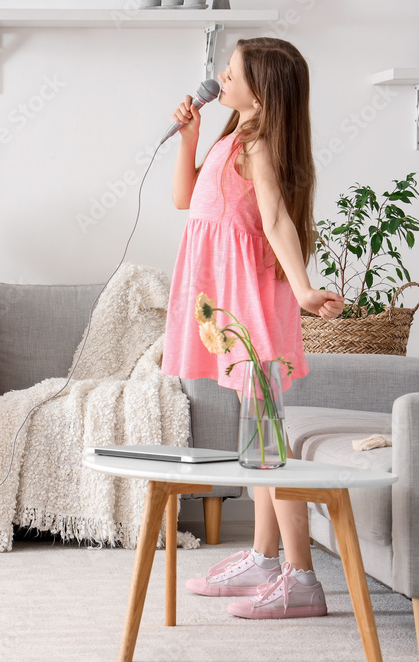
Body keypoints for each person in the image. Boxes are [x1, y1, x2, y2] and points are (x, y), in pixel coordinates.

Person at [161, 38, 345, 619]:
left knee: (266, 449)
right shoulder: (233, 135)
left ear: (261, 92)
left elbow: (274, 219)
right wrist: (189, 138)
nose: (219, 77)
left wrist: (304, 286)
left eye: (232, 73)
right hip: (229, 304)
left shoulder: (259, 145)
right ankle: (266, 559)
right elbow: (184, 199)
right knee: (254, 443)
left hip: (253, 305)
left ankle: (301, 578)